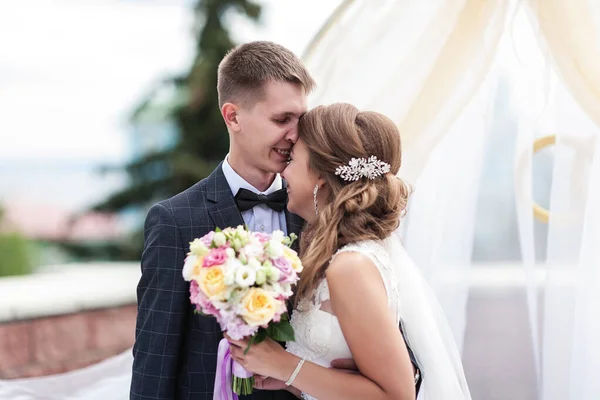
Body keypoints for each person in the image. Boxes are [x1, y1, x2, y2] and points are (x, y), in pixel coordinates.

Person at [225, 103, 472, 399]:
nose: (284, 171)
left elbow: (397, 395)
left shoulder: (350, 265)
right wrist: (295, 380)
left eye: (293, 159)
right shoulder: (341, 255)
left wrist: (285, 365)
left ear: (319, 175)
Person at [130, 41, 314, 400]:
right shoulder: (175, 220)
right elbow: (155, 360)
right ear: (233, 117)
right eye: (281, 120)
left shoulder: (318, 213)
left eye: (300, 120)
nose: (295, 135)